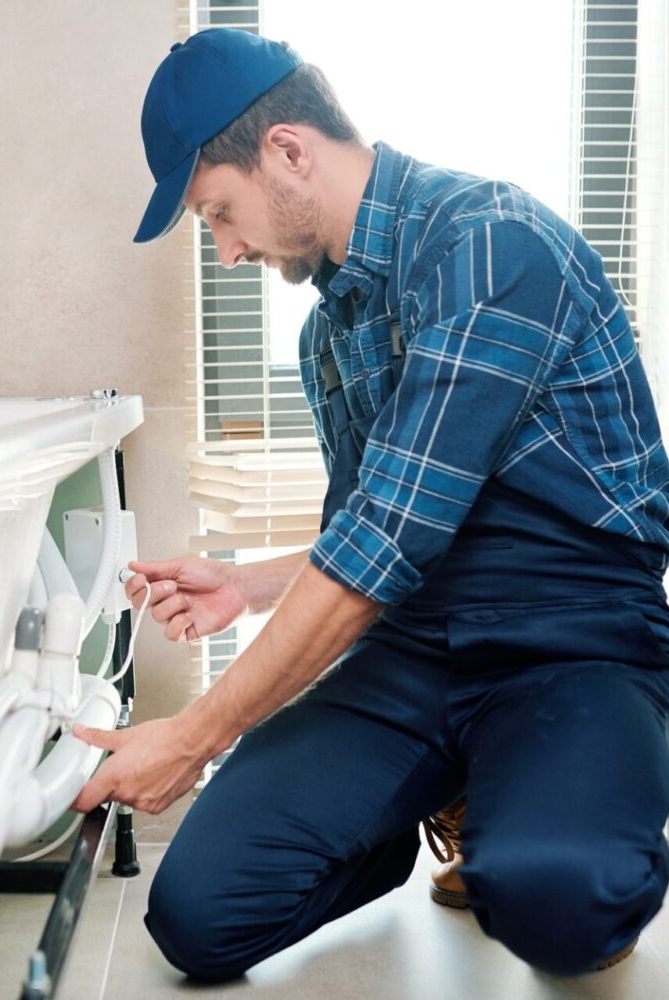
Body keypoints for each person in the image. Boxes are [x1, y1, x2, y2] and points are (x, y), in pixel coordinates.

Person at [72, 28, 669, 981]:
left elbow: (382, 547)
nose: (226, 251)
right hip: (414, 648)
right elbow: (375, 533)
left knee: (557, 895)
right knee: (196, 914)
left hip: (571, 637)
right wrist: (247, 584)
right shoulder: (328, 337)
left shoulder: (489, 246)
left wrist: (191, 738)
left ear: (289, 152)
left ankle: (554, 796)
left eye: (220, 213)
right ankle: (430, 798)